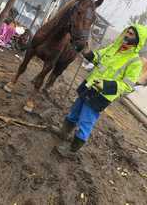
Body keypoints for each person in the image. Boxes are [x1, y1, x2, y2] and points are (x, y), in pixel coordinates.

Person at [56, 23, 147, 157]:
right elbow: (97, 59)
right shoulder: (112, 48)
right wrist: (87, 51)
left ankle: (72, 151)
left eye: (131, 34)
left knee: (86, 122)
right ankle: (63, 133)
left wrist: (105, 86)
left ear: (138, 40)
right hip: (89, 86)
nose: (127, 35)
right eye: (127, 32)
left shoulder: (135, 62)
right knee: (74, 113)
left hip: (101, 96)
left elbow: (127, 86)